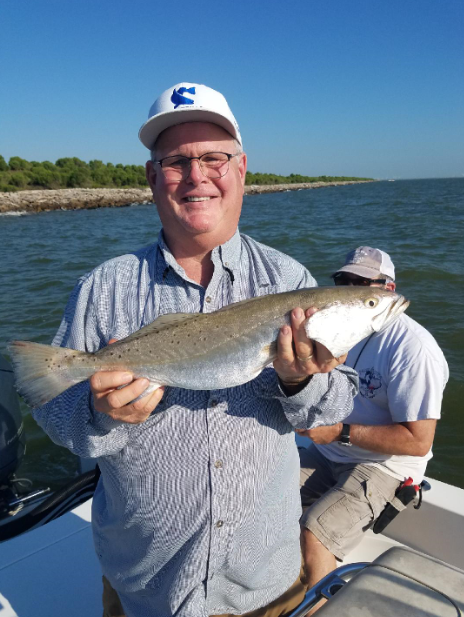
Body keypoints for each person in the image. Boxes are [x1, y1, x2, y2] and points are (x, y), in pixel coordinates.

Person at [31, 83, 359, 617]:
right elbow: (56, 414)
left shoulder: (290, 280)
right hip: (144, 587)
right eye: (177, 161)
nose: (197, 175)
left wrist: (301, 380)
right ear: (151, 176)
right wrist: (98, 412)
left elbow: (334, 409)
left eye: (214, 157)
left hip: (263, 584)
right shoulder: (103, 287)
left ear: (242, 167)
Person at [298, 246, 449, 614]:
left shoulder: (414, 350)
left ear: (389, 290)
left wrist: (339, 432)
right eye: (342, 282)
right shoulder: (338, 331)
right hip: (328, 449)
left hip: (387, 466)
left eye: (362, 285)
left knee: (314, 534)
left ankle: (320, 610)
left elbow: (418, 441)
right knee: (256, 491)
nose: (349, 291)